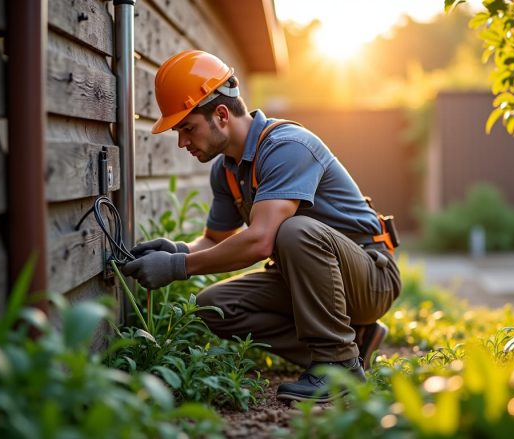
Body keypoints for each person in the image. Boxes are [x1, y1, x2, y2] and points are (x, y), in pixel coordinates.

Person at [122, 50, 401, 402]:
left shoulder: (288, 147)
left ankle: (338, 365)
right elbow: (214, 239)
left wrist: (177, 268)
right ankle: (356, 343)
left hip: (371, 278)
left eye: (187, 128)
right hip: (310, 281)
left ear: (221, 115)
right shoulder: (226, 170)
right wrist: (177, 250)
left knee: (293, 231)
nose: (182, 142)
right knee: (213, 306)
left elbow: (260, 242)